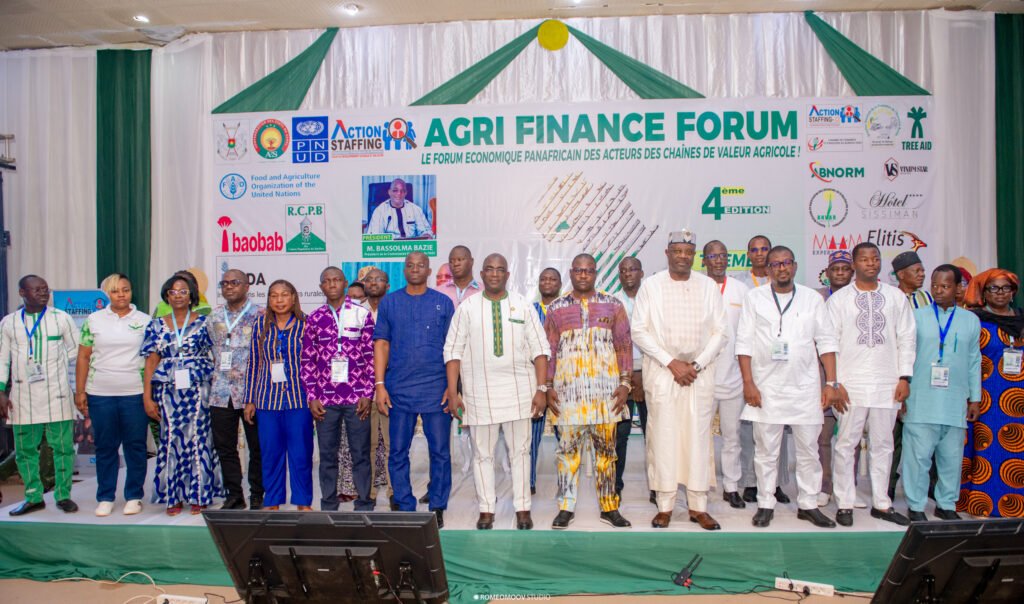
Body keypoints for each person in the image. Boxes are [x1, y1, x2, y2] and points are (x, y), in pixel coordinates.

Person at [736, 246, 840, 528]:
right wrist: (748, 383)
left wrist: (831, 383)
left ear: (794, 266)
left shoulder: (812, 299)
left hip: (805, 388)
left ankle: (808, 504)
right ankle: (765, 503)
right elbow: (744, 343)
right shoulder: (754, 298)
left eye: (786, 263)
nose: (781, 268)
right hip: (766, 388)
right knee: (766, 452)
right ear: (768, 269)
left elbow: (826, 341)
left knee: (809, 451)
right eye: (775, 264)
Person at [444, 253, 550, 530]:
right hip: (479, 394)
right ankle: (486, 509)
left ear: (507, 275)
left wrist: (541, 389)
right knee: (483, 454)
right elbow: (452, 352)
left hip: (520, 391)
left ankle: (523, 508)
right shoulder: (467, 308)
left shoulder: (522, 305)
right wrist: (453, 392)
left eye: (500, 269)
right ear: (481, 274)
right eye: (489, 269)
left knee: (521, 452)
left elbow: (540, 350)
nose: (494, 274)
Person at [631, 230, 727, 530]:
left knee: (698, 439)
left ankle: (698, 507)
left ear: (694, 255)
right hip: (663, 373)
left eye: (688, 252)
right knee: (663, 437)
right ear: (667, 253)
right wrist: (672, 362)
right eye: (677, 251)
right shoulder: (651, 286)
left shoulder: (708, 286)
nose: (683, 256)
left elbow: (721, 332)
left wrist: (695, 364)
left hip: (699, 374)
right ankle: (665, 505)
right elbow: (639, 331)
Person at [826, 242, 916, 527]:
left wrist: (904, 377)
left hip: (887, 383)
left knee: (884, 444)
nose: (871, 263)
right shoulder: (839, 300)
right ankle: (845, 502)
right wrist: (834, 382)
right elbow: (828, 342)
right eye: (864, 259)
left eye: (875, 258)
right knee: (846, 444)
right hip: (850, 384)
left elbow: (907, 338)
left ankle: (881, 503)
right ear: (854, 264)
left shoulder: (895, 297)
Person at [545, 253, 633, 530]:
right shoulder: (556, 308)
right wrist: (547, 386)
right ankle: (565, 507)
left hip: (606, 397)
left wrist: (625, 383)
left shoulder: (613, 305)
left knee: (607, 454)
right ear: (571, 273)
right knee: (567, 454)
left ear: (596, 274)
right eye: (578, 271)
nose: (583, 275)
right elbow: (549, 351)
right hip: (568, 396)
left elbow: (624, 346)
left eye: (589, 271)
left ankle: (609, 507)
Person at [374, 252, 455, 527]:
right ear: (404, 270)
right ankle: (405, 505)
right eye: (410, 265)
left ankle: (438, 506)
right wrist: (380, 385)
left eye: (421, 265)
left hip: (436, 388)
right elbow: (381, 344)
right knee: (398, 451)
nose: (415, 269)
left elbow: (453, 349)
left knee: (440, 452)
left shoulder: (443, 303)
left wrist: (452, 387)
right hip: (399, 389)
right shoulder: (390, 302)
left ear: (429, 271)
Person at [903, 265, 981, 521]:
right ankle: (916, 505)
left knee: (951, 457)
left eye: (945, 286)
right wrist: (902, 389)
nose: (938, 290)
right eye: (935, 285)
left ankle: (946, 504)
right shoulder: (915, 316)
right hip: (920, 398)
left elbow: (974, 360)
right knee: (918, 457)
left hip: (954, 400)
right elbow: (904, 356)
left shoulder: (970, 320)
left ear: (958, 288)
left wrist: (975, 398)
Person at [141, 275, 223, 515]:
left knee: (199, 437)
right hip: (168, 389)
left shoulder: (205, 323)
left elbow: (217, 356)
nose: (178, 295)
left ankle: (200, 494)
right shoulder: (156, 325)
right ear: (167, 296)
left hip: (199, 387)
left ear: (191, 296)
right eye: (173, 292)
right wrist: (147, 396)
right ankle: (173, 495)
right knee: (171, 438)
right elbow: (150, 362)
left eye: (183, 291)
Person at [1, 275, 80, 516]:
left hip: (57, 393)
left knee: (63, 448)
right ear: (22, 293)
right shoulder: (9, 322)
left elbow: (77, 349)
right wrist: (1, 391)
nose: (43, 293)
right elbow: (3, 359)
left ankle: (63, 495)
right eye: (37, 290)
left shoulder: (61, 318)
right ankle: (33, 496)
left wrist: (55, 364)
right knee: (25, 451)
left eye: (45, 289)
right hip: (23, 395)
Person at [74, 273, 151, 516]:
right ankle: (105, 496)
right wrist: (80, 391)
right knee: (105, 446)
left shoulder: (145, 320)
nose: (121, 295)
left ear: (131, 292)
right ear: (107, 293)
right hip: (100, 394)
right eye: (116, 291)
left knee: (135, 445)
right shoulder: (94, 320)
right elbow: (83, 356)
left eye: (125, 290)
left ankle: (134, 496)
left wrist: (150, 393)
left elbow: (152, 359)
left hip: (134, 393)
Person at [302, 267, 376, 512]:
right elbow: (307, 359)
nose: (332, 284)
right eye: (327, 281)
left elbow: (370, 357)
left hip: (356, 397)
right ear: (321, 287)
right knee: (327, 455)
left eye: (337, 280)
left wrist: (367, 393)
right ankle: (328, 504)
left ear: (345, 283)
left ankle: (364, 503)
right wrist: (312, 396)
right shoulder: (314, 318)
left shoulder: (361, 314)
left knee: (360, 453)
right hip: (325, 399)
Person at [958, 269, 1024, 518]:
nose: (1000, 293)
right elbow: (966, 361)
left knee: (1018, 451)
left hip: (1019, 399)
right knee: (987, 449)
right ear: (984, 293)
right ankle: (982, 506)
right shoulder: (975, 320)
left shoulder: (1022, 320)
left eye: (1006, 288)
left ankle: (1016, 506)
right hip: (986, 398)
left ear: (1013, 292)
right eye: (993, 288)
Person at [243, 280, 311, 511]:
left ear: (293, 297)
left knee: (300, 454)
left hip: (298, 398)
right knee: (271, 453)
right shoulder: (260, 324)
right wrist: (250, 399)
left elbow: (313, 362)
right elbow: (253, 362)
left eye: (284, 295)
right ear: (269, 299)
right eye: (274, 295)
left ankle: (303, 501)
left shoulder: (306, 324)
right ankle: (272, 501)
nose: (279, 300)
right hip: (266, 400)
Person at [207, 269, 264, 510]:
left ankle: (257, 494)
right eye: (225, 283)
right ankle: (234, 495)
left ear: (247, 286)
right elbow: (212, 348)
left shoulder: (260, 314)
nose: (229, 287)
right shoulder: (214, 316)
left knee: (257, 447)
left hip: (252, 393)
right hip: (221, 392)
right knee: (225, 447)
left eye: (235, 282)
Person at [702, 240, 750, 509]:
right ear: (704, 260)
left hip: (733, 377)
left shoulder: (741, 290)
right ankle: (702, 485)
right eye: (713, 256)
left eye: (723, 256)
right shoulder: (697, 287)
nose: (719, 260)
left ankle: (731, 486)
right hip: (702, 378)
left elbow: (749, 332)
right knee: (701, 436)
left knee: (732, 436)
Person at [888, 250, 933, 501]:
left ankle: (928, 487)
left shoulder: (928, 298)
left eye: (922, 270)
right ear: (901, 274)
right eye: (917, 271)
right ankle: (888, 486)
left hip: (924, 375)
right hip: (896, 374)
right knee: (893, 437)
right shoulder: (890, 298)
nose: (922, 274)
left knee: (925, 436)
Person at [815, 250, 853, 507]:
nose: (840, 273)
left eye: (845, 269)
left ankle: (848, 488)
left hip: (852, 375)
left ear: (852, 272)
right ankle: (825, 486)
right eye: (835, 269)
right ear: (827, 273)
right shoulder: (817, 298)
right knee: (823, 437)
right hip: (822, 376)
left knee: (850, 438)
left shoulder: (859, 298)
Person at [613, 257, 649, 501]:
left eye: (633, 269)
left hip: (651, 375)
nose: (628, 274)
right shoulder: (612, 301)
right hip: (621, 376)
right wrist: (629, 376)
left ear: (641, 273)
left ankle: (658, 487)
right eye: (623, 270)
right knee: (620, 434)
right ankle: (615, 485)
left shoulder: (653, 299)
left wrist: (643, 374)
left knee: (654, 435)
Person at [363, 268, 395, 509]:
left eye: (379, 279)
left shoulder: (395, 308)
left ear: (388, 284)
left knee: (394, 444)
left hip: (390, 386)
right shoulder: (355, 312)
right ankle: (370, 493)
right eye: (369, 280)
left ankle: (394, 492)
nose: (374, 283)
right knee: (369, 445)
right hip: (362, 389)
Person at [530, 267, 561, 495]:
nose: (547, 282)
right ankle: (528, 482)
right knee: (531, 437)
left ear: (560, 284)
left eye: (552, 279)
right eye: (544, 279)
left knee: (565, 437)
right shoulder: (529, 311)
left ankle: (566, 483)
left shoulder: (567, 309)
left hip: (561, 382)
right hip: (536, 383)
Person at [365, 179, 433, 239]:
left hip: (411, 247)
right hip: (390, 247)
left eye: (402, 191)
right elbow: (374, 236)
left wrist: (426, 235)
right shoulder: (379, 211)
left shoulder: (415, 209)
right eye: (395, 190)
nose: (399, 193)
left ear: (405, 193)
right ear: (389, 192)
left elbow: (426, 231)